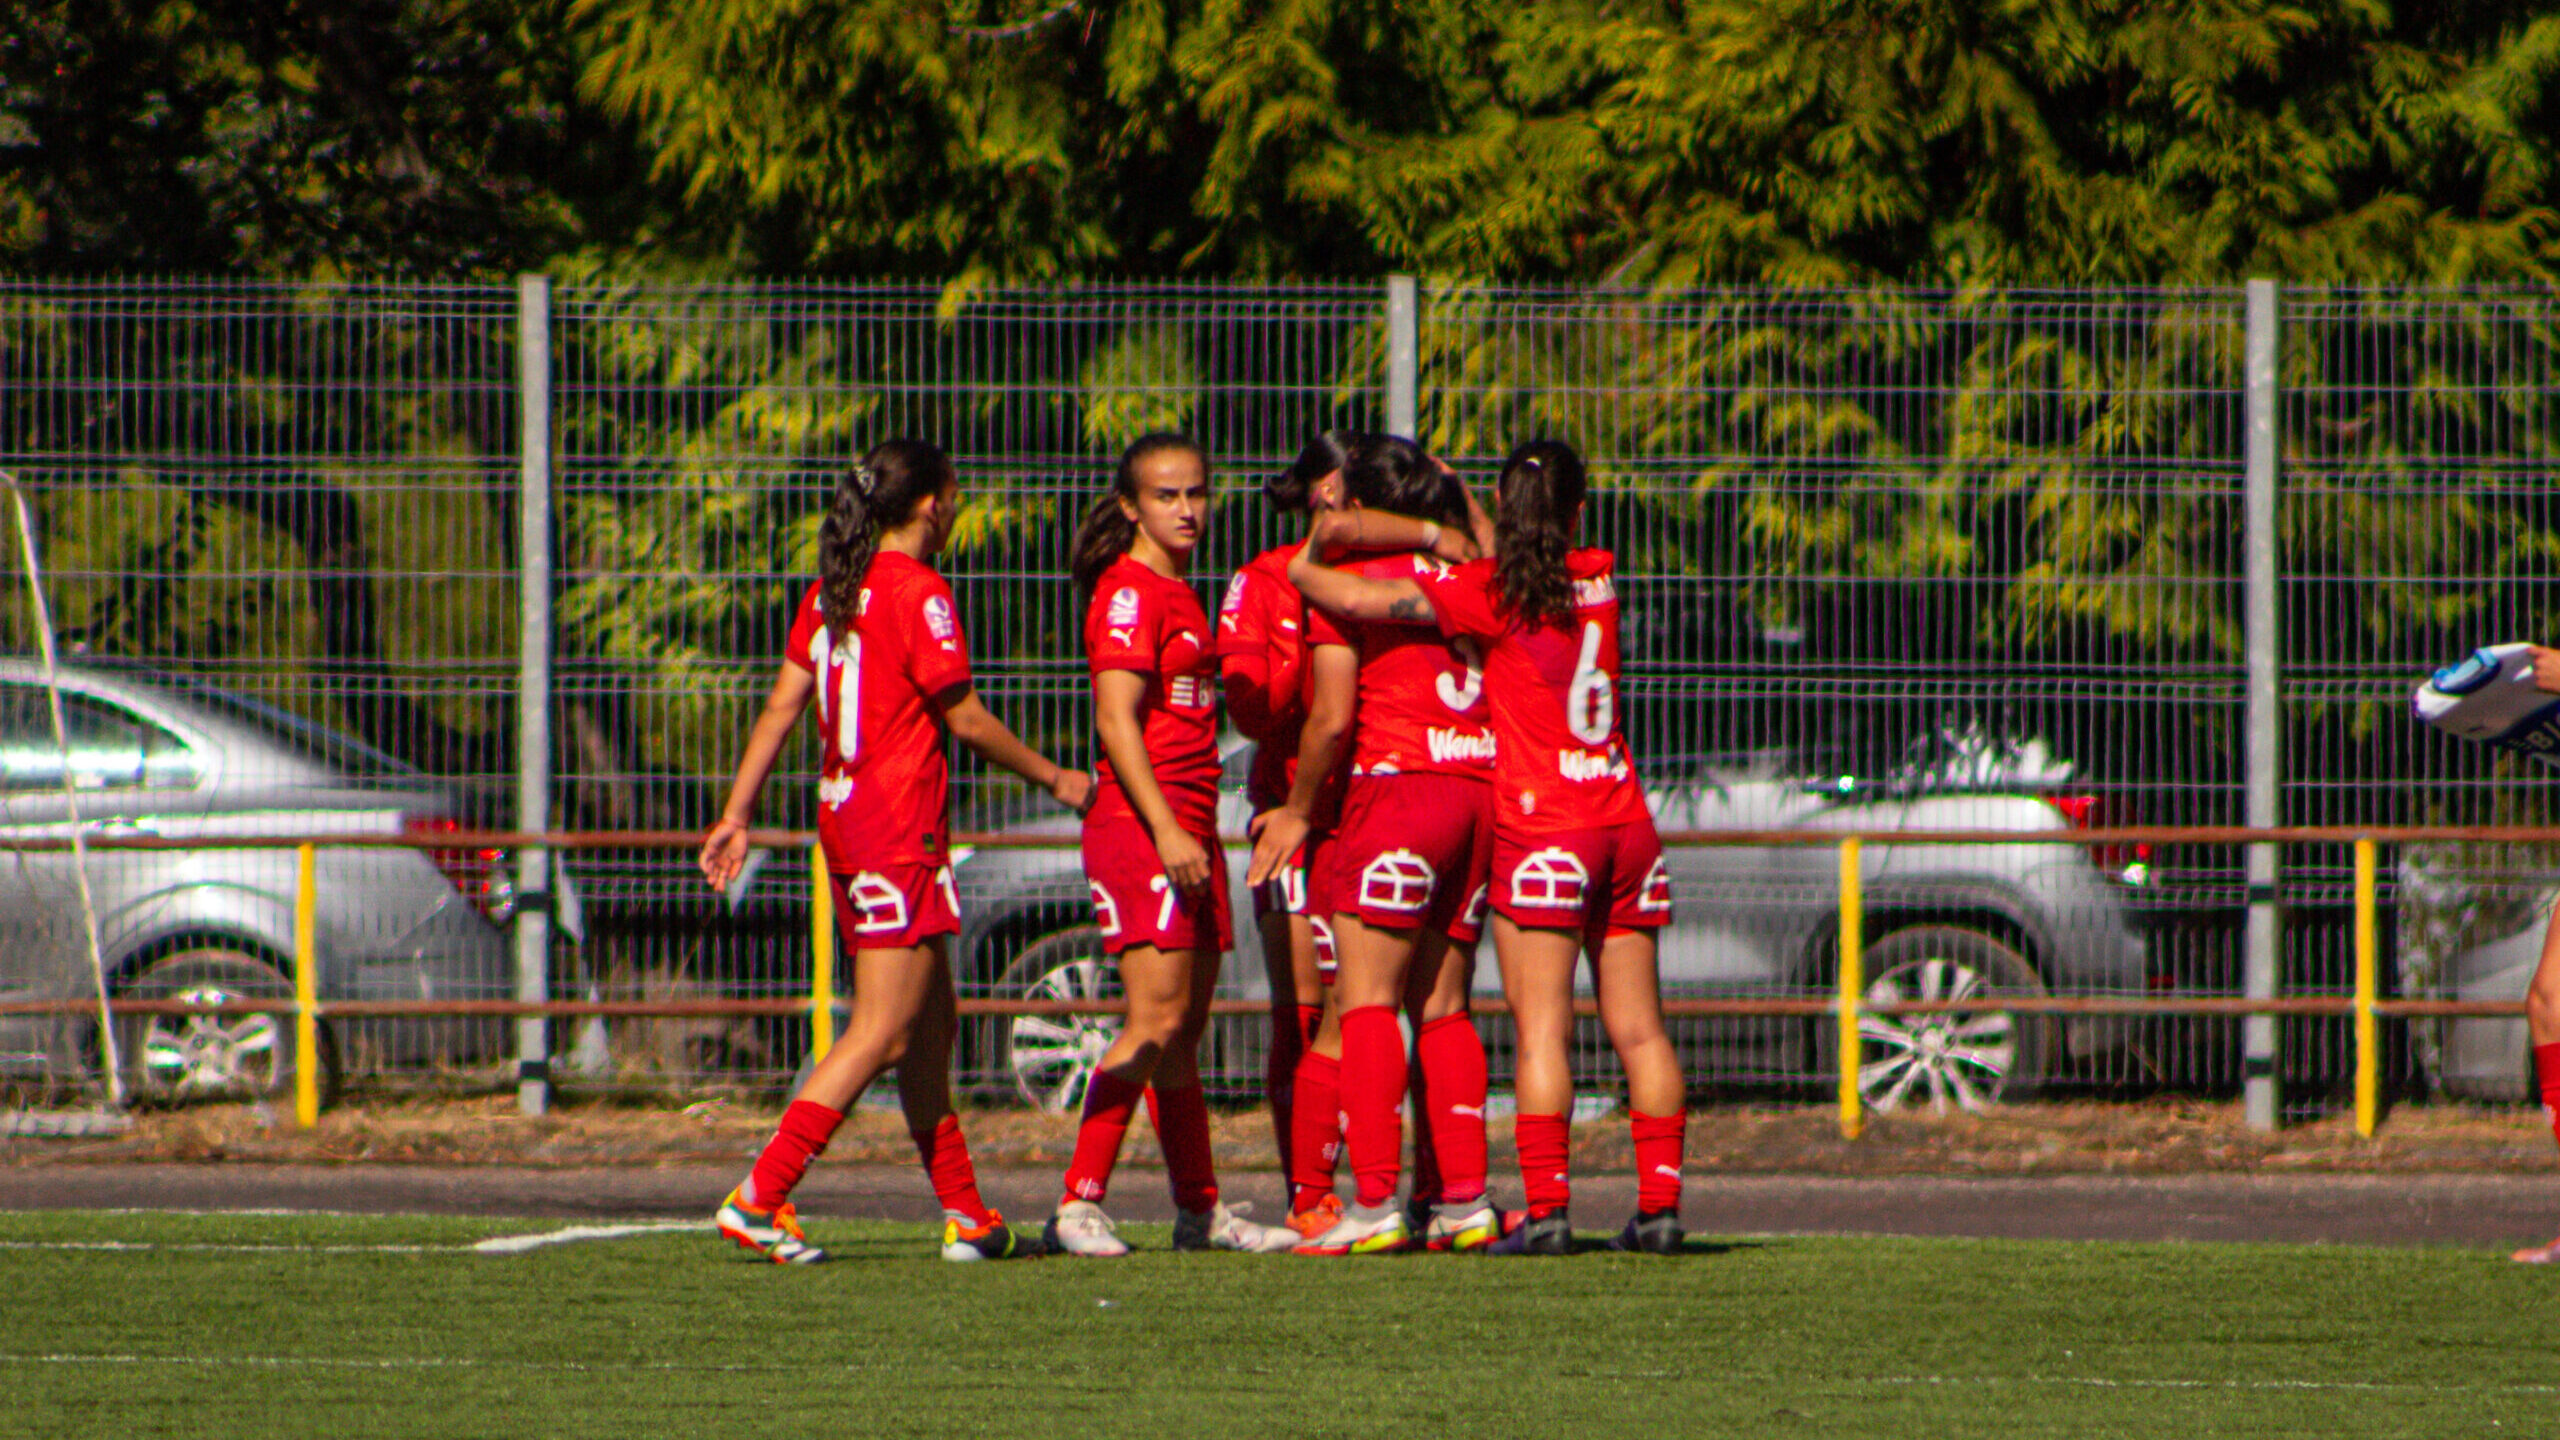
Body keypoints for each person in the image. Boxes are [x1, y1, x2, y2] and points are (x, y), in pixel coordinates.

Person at [1289, 439, 1686, 1256]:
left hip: (1539, 825)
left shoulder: (1486, 592)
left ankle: (1535, 1213)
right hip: (1623, 820)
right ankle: (1656, 1211)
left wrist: (1302, 568)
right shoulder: (1598, 578)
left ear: (1502, 514)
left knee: (1536, 1033)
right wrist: (1468, 509)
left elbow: (1358, 594)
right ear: (1578, 514)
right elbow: (1523, 538)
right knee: (1639, 1031)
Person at [703, 439, 1093, 1264]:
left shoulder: (832, 593)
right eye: (955, 496)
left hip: (848, 827)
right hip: (894, 829)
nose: (956, 510)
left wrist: (736, 813)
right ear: (933, 504)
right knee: (882, 1030)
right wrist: (1058, 778)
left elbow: (780, 708)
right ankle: (760, 1195)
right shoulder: (920, 592)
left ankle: (968, 1218)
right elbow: (967, 718)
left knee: (929, 1028)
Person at [1047, 432, 1298, 1257]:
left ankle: (1200, 1211)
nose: (1187, 510)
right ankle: (1077, 1204)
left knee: (1183, 1030)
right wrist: (1162, 829)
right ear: (1131, 508)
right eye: (1166, 496)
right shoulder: (1130, 592)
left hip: (1189, 825)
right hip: (1143, 825)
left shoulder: (1183, 592)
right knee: (1151, 1020)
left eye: (1196, 492)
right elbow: (1114, 719)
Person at [1251, 438, 1501, 1255]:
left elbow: (1330, 718)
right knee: (1444, 1007)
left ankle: (1371, 1203)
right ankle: (1465, 1202)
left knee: (1361, 1005)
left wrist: (1294, 809)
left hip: (1396, 794)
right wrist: (1455, 506)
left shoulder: (1349, 583)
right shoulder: (1476, 574)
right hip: (1476, 795)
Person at [1217, 432, 1356, 1239]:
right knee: (1305, 1013)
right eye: (1332, 488)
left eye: (1358, 490)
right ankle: (1311, 1192)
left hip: (1382, 812)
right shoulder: (1266, 579)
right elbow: (1249, 707)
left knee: (1386, 1010)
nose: (1342, 503)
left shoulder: (1392, 577)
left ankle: (1426, 1188)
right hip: (1294, 817)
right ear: (1308, 492)